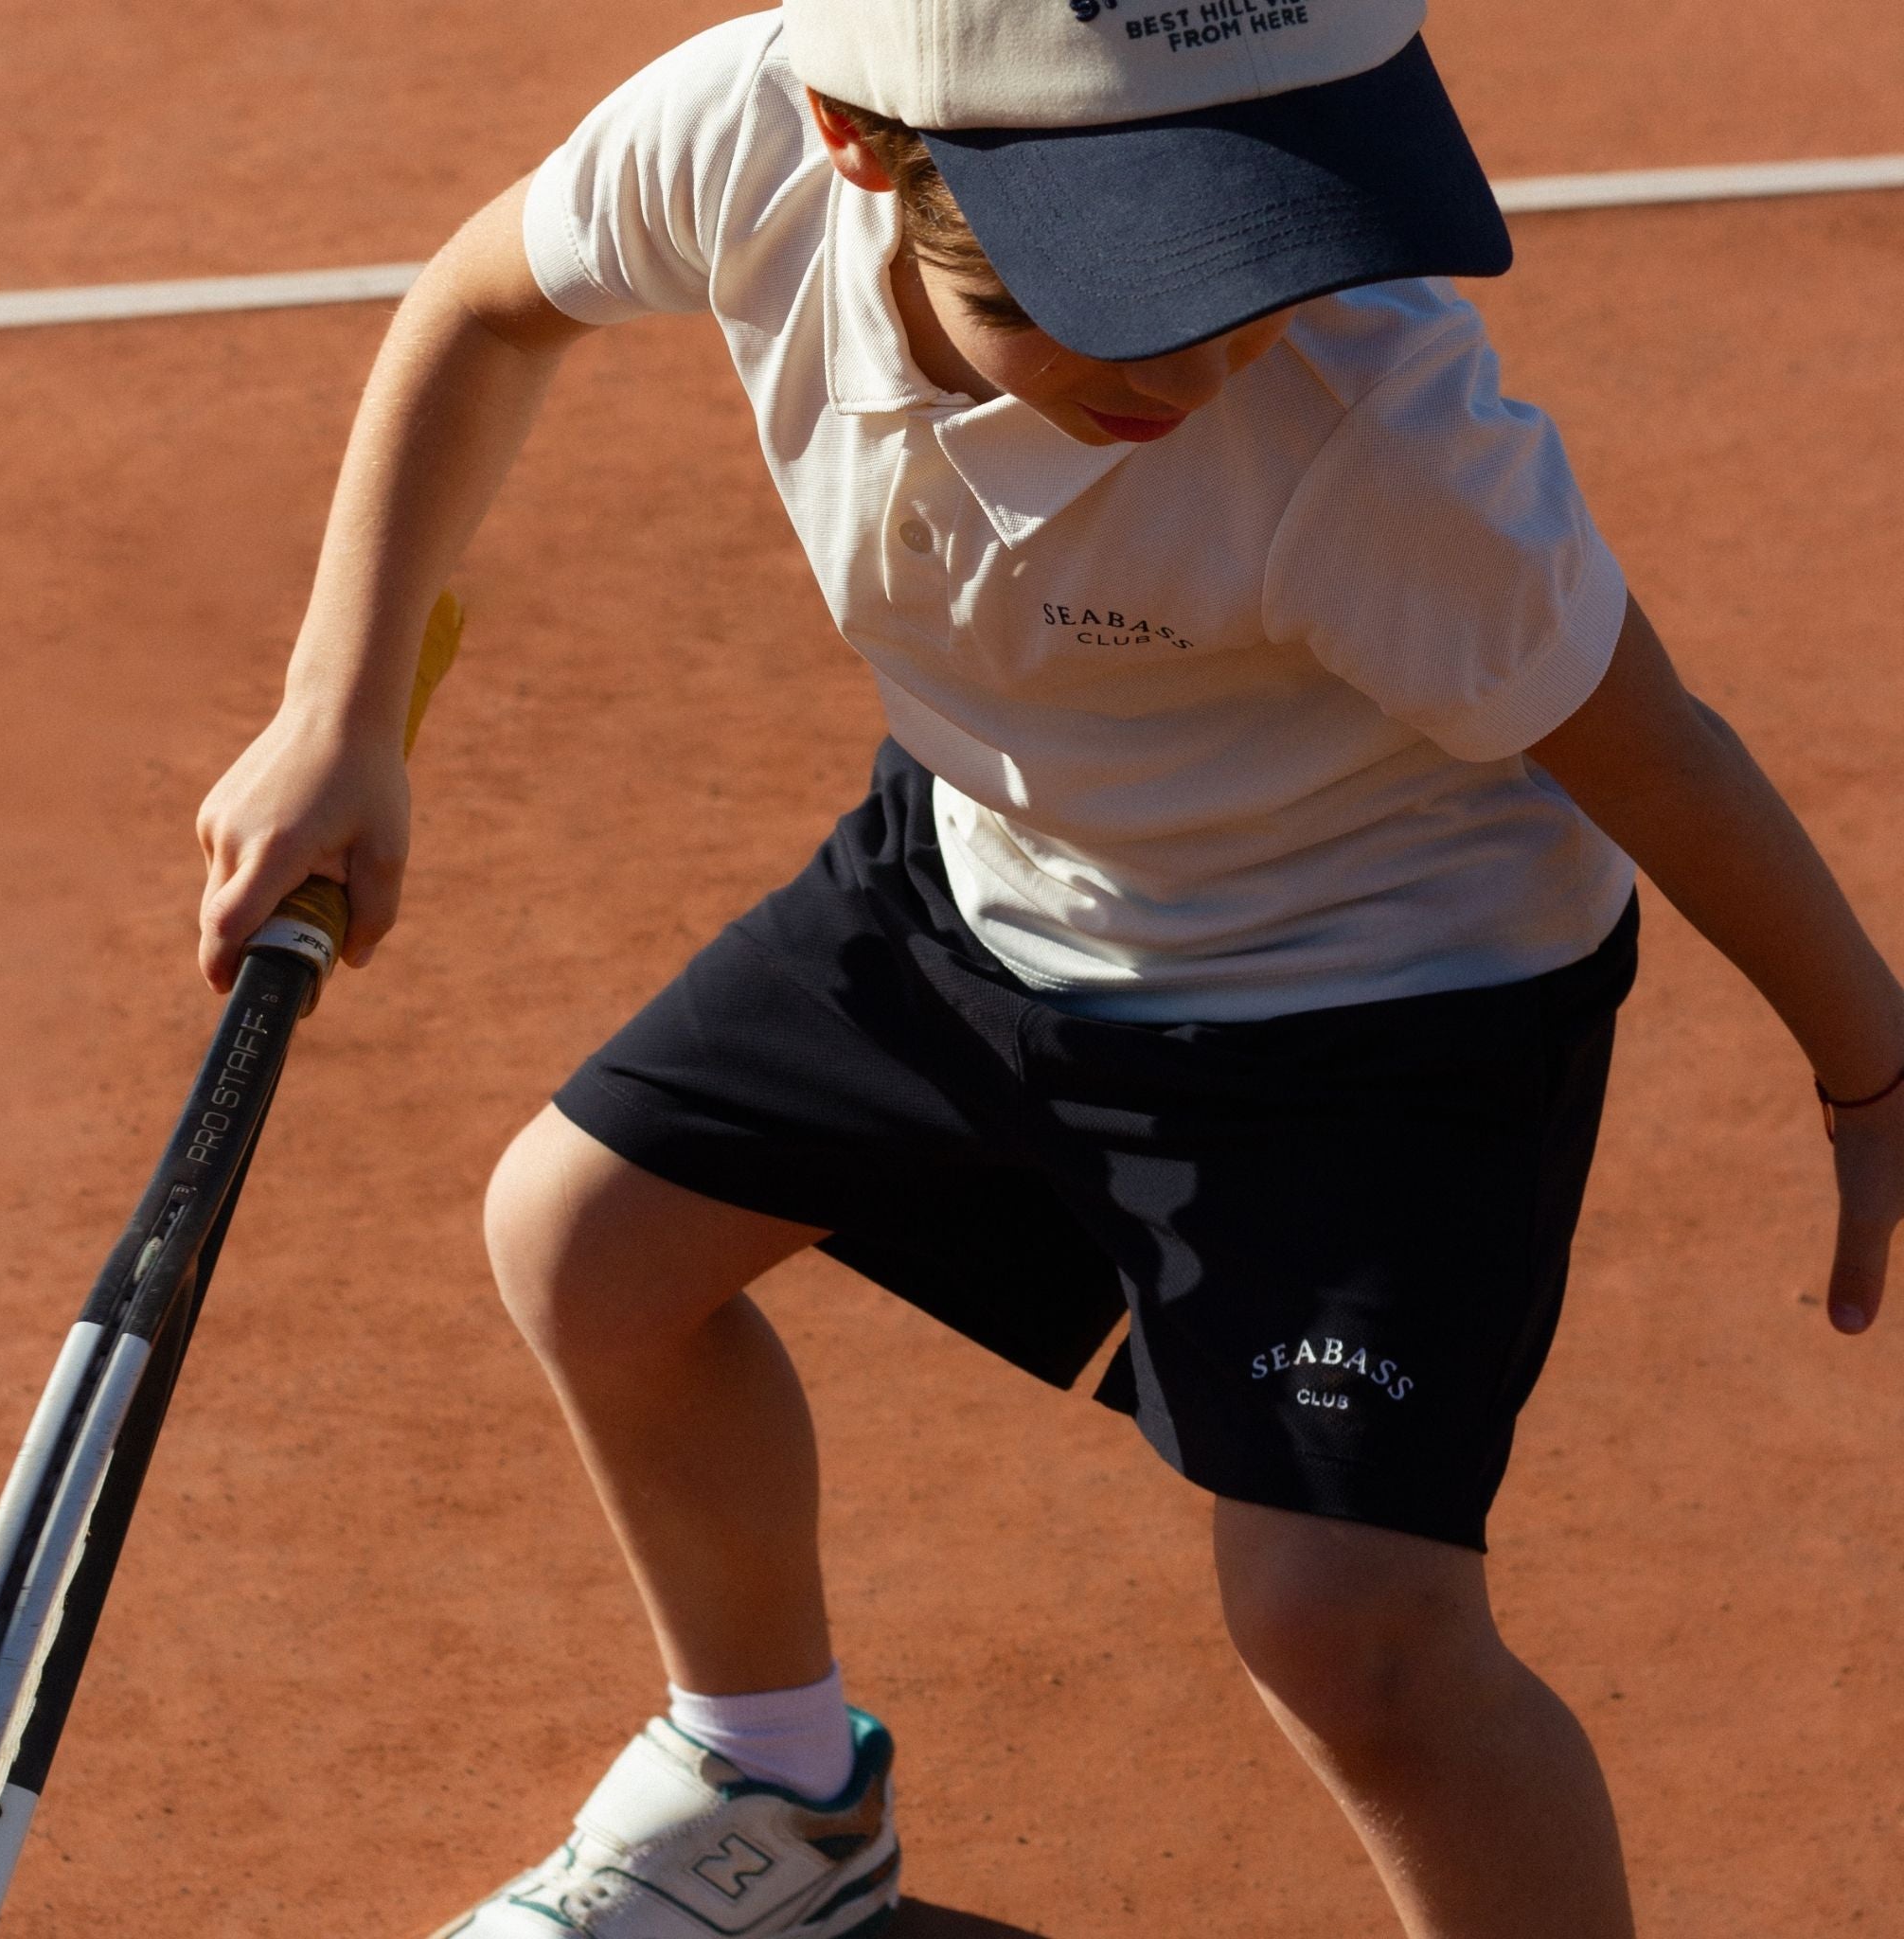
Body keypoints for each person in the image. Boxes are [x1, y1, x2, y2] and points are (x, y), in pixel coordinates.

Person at [194, 4, 1904, 1935]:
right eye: (1110, 291)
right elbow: (489, 301)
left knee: (1355, 1640)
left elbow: (1655, 748)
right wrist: (338, 707)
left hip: (1375, 1003)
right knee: (582, 1249)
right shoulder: (747, 130)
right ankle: (775, 1787)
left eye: (1247, 259)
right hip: (989, 876)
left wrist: (1871, 1065)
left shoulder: (1375, 433)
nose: (1199, 357)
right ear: (858, 144)